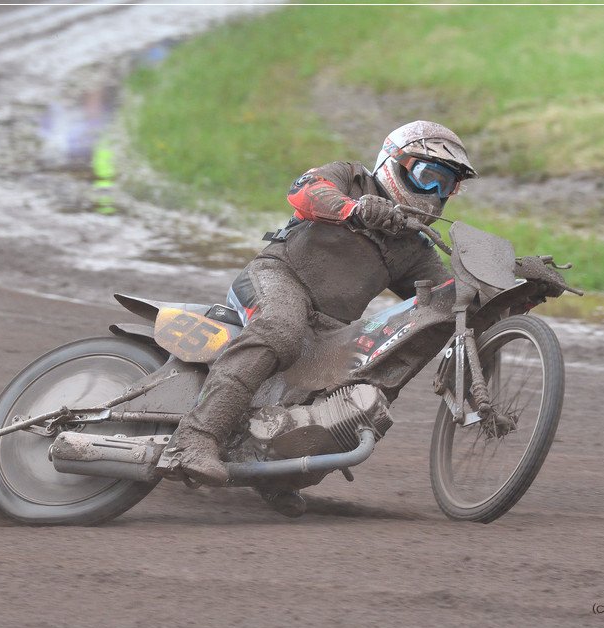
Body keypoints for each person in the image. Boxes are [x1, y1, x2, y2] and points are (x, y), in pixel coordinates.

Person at [164, 120, 478, 516]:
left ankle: (275, 473)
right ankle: (194, 437)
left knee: (357, 390)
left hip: (328, 324)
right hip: (279, 278)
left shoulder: (413, 249)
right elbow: (304, 192)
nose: (433, 192)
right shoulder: (350, 177)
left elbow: (451, 297)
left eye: (445, 186)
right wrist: (356, 209)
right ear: (395, 162)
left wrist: (515, 285)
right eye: (427, 176)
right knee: (281, 330)